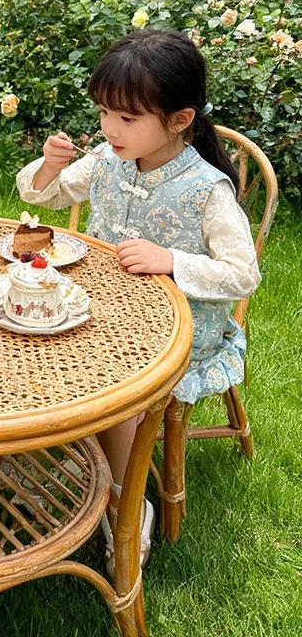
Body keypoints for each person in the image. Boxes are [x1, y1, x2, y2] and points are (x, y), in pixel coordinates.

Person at [15, 29, 261, 573]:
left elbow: (243, 274)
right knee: (21, 336)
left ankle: (127, 505)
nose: (109, 129)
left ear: (179, 120)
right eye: (104, 113)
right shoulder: (109, 158)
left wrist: (172, 259)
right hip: (104, 309)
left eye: (127, 119)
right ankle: (56, 461)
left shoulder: (205, 190)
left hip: (177, 330)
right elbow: (43, 195)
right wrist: (51, 165)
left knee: (115, 389)